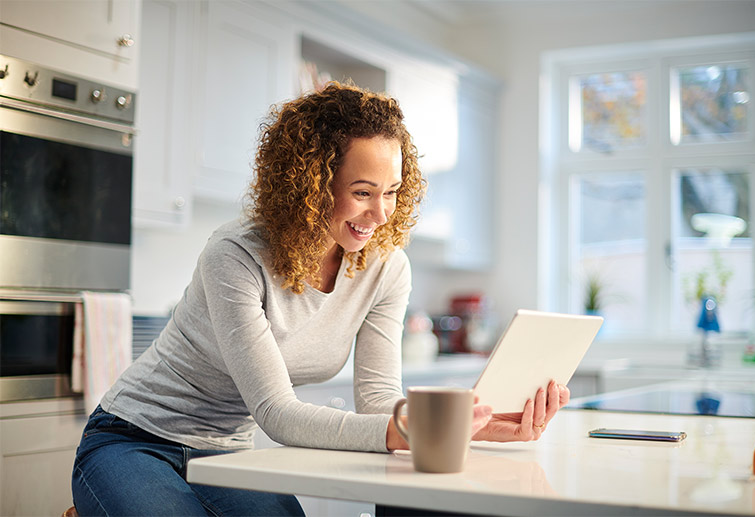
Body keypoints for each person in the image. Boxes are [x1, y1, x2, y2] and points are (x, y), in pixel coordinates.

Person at [70, 82, 570, 516]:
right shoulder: (236, 254)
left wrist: (465, 429)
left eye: (392, 192)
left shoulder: (386, 267)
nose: (380, 214)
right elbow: (277, 412)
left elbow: (377, 402)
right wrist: (410, 432)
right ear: (310, 183)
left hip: (227, 454)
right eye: (362, 191)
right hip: (134, 438)